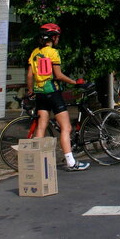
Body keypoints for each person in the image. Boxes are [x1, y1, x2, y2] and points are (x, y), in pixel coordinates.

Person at [26, 23, 89, 171]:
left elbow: (29, 76)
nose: (58, 39)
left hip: (40, 93)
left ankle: (33, 162)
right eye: (57, 37)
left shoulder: (35, 52)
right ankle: (71, 162)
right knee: (66, 127)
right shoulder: (53, 53)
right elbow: (58, 75)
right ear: (53, 38)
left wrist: (30, 90)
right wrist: (75, 82)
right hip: (53, 93)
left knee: (41, 127)